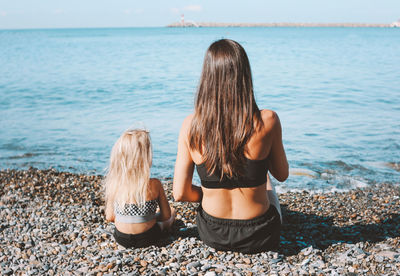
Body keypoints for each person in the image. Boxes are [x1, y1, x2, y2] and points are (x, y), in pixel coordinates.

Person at [173, 39, 289, 253]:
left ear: (207, 77)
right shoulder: (267, 120)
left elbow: (179, 193)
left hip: (212, 233)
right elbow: (282, 174)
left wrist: (210, 192)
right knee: (266, 179)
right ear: (244, 76)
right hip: (259, 234)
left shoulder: (191, 125)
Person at [104, 128, 175, 248]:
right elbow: (165, 215)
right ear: (146, 157)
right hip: (148, 237)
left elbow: (110, 217)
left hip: (121, 238)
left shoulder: (115, 183)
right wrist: (151, 217)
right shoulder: (154, 184)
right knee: (172, 212)